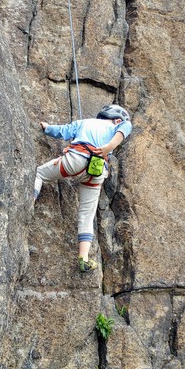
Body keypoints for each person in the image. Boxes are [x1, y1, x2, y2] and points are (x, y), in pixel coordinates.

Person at [34, 104, 132, 272]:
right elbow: (126, 127)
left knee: (39, 174)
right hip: (97, 170)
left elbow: (62, 131)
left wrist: (46, 127)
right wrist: (108, 148)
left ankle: (28, 202)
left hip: (76, 160)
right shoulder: (119, 125)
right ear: (116, 119)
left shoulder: (84, 122)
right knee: (87, 214)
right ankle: (84, 259)